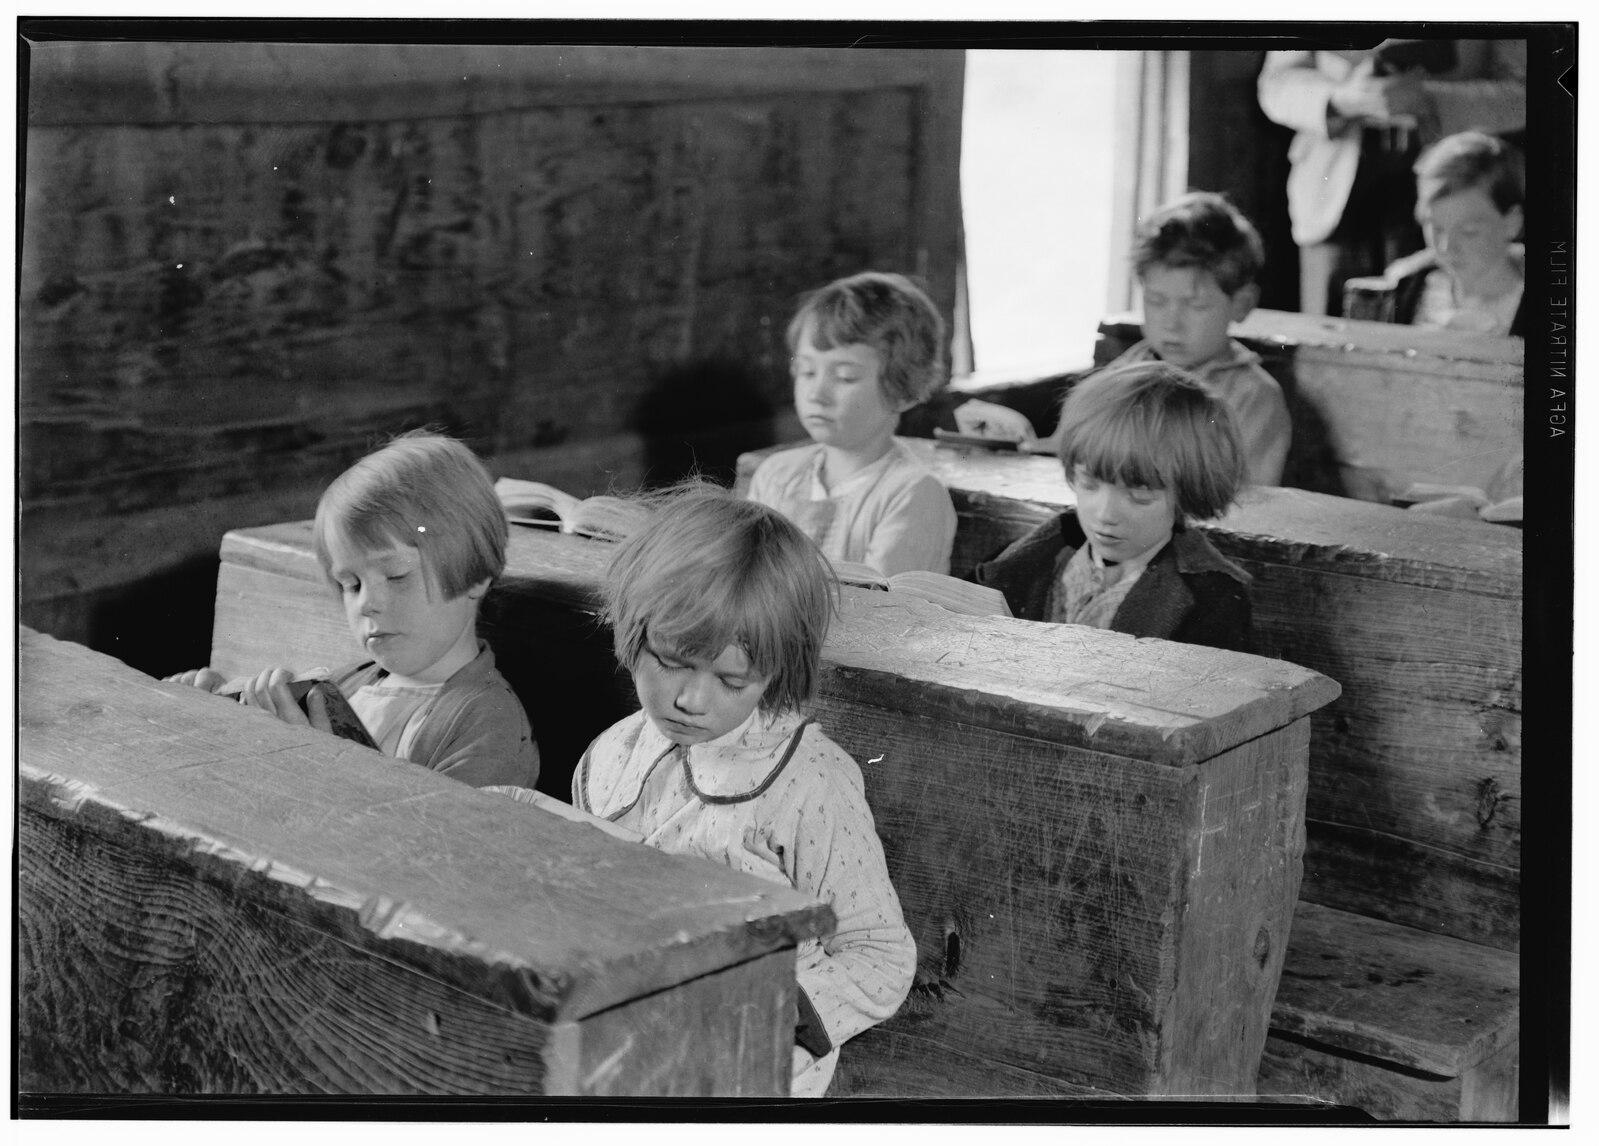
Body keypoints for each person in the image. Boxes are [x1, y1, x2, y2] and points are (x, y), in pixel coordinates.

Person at [571, 484, 915, 1096]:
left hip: (747, 1059)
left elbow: (879, 954)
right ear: (632, 627)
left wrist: (783, 1032)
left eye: (732, 679)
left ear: (777, 672)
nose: (690, 700)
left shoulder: (809, 781)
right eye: (673, 660)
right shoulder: (610, 755)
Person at [166, 431, 539, 789]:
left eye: (395, 576)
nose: (366, 602)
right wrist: (216, 713)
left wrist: (316, 760)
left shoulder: (486, 721)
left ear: (474, 575)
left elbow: (437, 845)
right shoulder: (345, 686)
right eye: (351, 584)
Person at [957, 192, 1290, 487]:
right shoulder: (1126, 370)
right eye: (1156, 301)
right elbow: (1068, 451)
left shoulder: (1253, 398)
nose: (1172, 323)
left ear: (1242, 304)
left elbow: (1250, 506)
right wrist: (1018, 448)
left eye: (1196, 305)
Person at [974, 362, 1255, 653]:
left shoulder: (1212, 601)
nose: (1105, 515)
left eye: (1139, 495)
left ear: (1187, 492)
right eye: (1089, 483)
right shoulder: (1021, 558)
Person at [1257, 39, 1527, 316]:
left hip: (1451, 194)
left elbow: (1527, 91)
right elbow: (1275, 84)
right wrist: (1346, 99)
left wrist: (1429, 98)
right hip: (1335, 193)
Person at [748, 271, 957, 576]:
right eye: (806, 371)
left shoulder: (912, 493)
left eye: (846, 376)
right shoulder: (776, 475)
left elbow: (885, 610)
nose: (816, 393)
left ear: (903, 391)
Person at [1349, 131, 1525, 337]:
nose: (1445, 247)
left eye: (1469, 232)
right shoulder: (1407, 290)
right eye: (1435, 228)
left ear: (1512, 222)